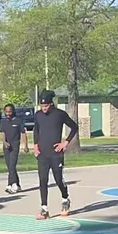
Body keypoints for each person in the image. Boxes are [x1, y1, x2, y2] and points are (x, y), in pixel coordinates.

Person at [32, 90, 79, 219]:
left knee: (58, 179)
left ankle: (65, 199)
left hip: (56, 153)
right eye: (42, 106)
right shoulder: (38, 115)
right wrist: (35, 145)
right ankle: (44, 209)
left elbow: (74, 127)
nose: (44, 108)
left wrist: (65, 142)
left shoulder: (59, 114)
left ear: (51, 104)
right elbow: (36, 130)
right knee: (43, 180)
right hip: (42, 153)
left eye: (46, 106)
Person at [0, 103, 28, 193]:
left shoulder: (18, 121)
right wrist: (4, 142)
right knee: (10, 167)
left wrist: (25, 145)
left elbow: (23, 133)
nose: (8, 113)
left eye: (10, 111)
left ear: (13, 111)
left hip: (15, 146)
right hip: (6, 146)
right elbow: (2, 132)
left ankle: (13, 184)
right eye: (6, 112)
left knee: (12, 166)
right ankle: (16, 184)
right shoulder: (3, 121)